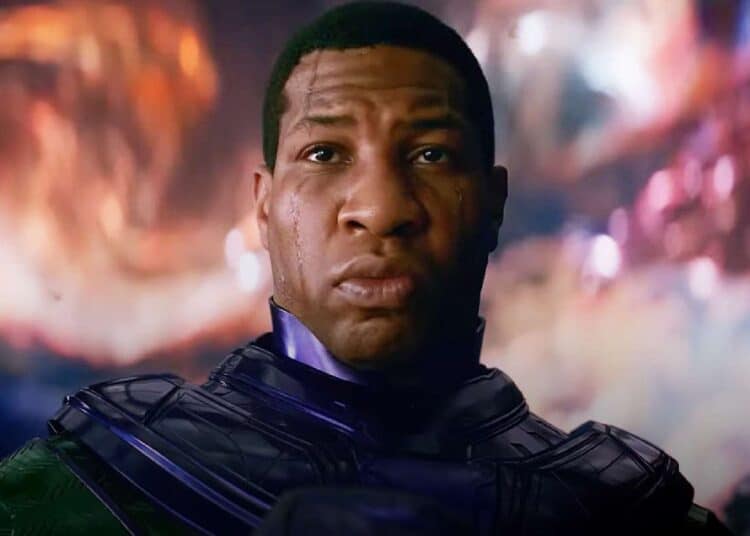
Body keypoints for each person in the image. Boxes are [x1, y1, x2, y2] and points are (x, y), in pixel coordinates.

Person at [0, 2, 731, 534]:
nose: (380, 208)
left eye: (431, 154)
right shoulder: (84, 486)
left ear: (492, 202)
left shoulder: (618, 513)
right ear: (265, 205)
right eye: (325, 154)